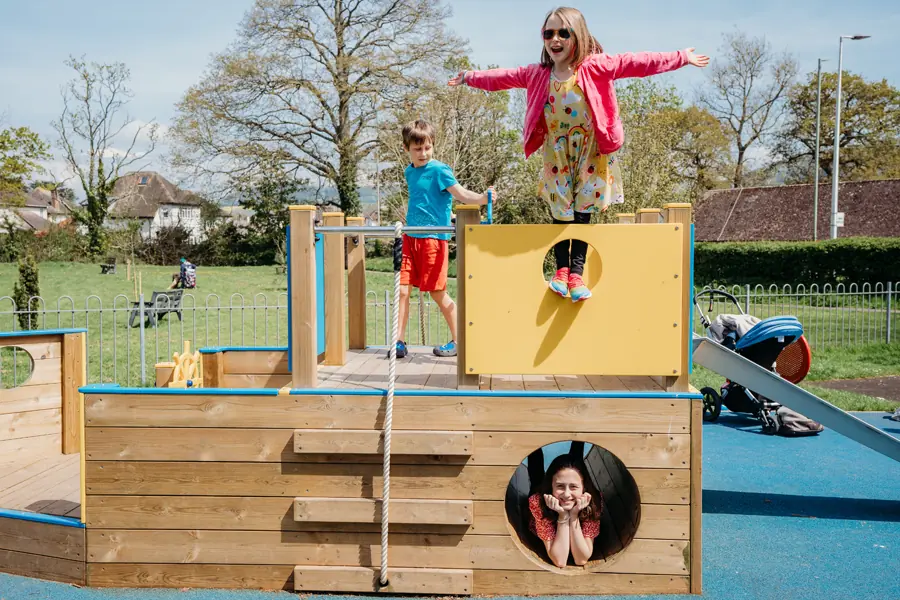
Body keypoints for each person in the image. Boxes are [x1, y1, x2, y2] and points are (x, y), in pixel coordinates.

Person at [449, 6, 708, 302]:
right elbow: (502, 78)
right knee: (561, 208)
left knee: (583, 208)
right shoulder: (538, 74)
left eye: (563, 33)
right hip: (557, 152)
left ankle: (577, 272)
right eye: (549, 33)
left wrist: (680, 57)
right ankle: (561, 270)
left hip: (590, 150)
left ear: (578, 36)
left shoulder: (596, 66)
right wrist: (470, 77)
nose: (555, 39)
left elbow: (637, 63)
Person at [393, 119, 494, 359]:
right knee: (402, 291)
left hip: (432, 240)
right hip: (410, 238)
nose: (423, 153)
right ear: (406, 148)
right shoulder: (409, 171)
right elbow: (425, 201)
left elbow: (459, 194)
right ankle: (398, 341)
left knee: (437, 293)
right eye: (417, 149)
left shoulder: (439, 170)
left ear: (433, 146)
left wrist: (482, 198)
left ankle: (461, 341)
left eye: (427, 147)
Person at [528, 454, 602, 568]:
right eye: (560, 486)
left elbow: (581, 559)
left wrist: (574, 516)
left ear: (584, 488)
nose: (567, 494)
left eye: (573, 487)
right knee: (536, 478)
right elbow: (560, 561)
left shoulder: (593, 501)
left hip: (572, 510)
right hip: (543, 508)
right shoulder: (537, 502)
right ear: (551, 486)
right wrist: (563, 516)